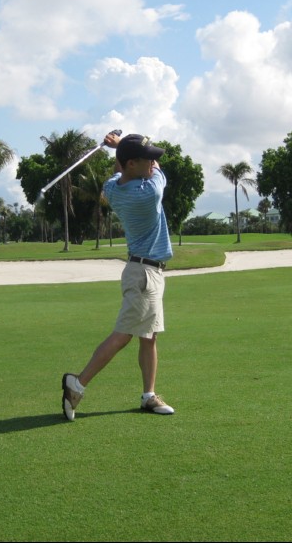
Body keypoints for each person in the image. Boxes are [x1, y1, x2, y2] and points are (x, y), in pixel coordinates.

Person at [61, 131, 175, 420]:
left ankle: (149, 395)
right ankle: (78, 383)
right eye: (147, 159)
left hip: (146, 272)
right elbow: (156, 172)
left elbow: (118, 172)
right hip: (144, 274)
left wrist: (119, 150)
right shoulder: (150, 191)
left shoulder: (112, 188)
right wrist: (120, 149)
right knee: (123, 336)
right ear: (132, 163)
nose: (153, 163)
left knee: (148, 337)